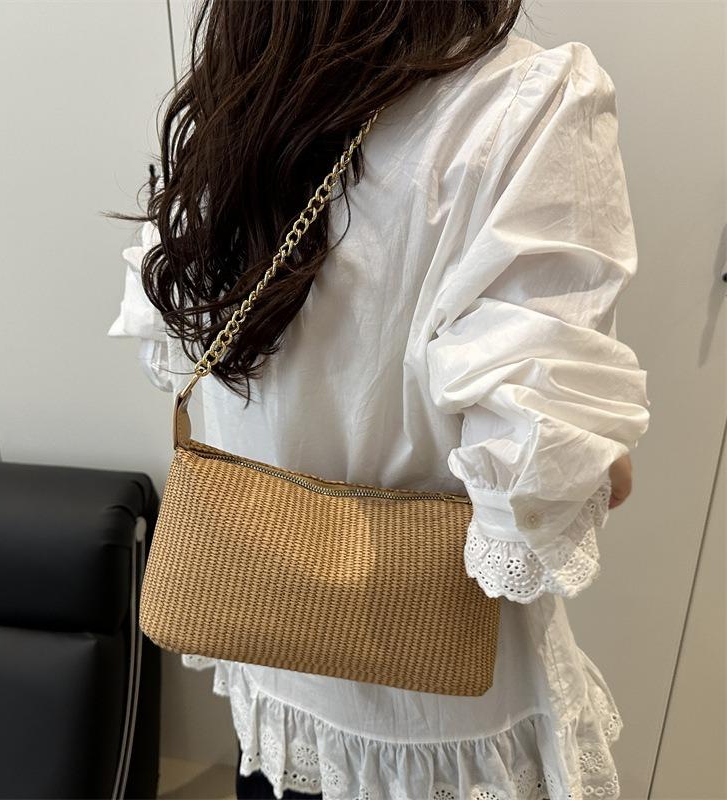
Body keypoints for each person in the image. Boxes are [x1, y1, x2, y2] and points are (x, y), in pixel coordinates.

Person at [107, 2, 650, 798]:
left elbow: (180, 356)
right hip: (442, 742)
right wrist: (600, 464)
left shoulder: (242, 91)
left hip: (276, 696)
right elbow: (543, 482)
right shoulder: (525, 102)